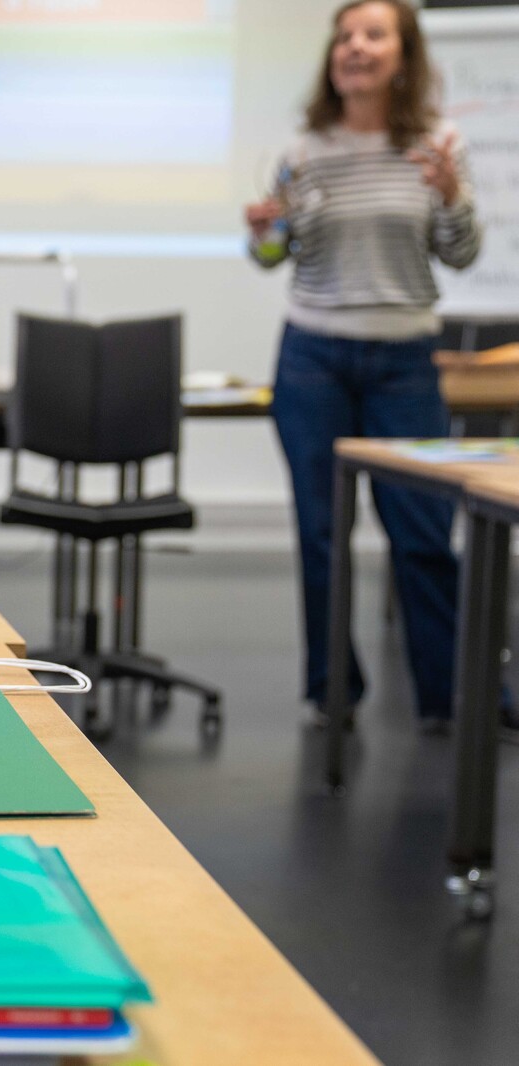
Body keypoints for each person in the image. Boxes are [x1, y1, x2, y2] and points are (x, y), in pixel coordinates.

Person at [244, 0, 480, 731]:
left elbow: (461, 253)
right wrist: (264, 232)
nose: (355, 47)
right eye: (344, 36)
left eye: (373, 35)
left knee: (422, 530)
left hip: (405, 360)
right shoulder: (302, 150)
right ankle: (332, 690)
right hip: (313, 356)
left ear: (403, 56)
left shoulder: (437, 145)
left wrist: (452, 197)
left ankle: (448, 697)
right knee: (321, 531)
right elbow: (275, 256)